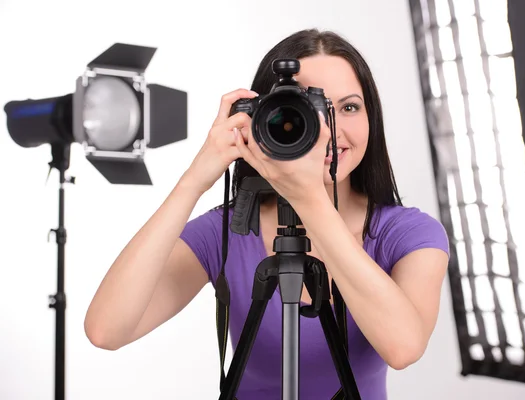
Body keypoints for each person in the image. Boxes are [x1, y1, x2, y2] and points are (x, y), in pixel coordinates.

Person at [84, 28, 450, 399]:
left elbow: (404, 348)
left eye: (349, 107)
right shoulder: (231, 229)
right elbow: (106, 330)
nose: (328, 129)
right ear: (265, 118)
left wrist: (308, 198)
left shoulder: (407, 233)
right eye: (310, 108)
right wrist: (195, 179)